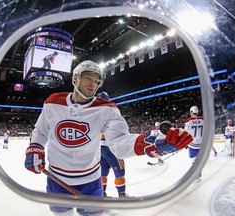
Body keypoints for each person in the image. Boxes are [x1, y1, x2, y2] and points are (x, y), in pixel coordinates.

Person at [24, 60, 193, 215]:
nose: (93, 84)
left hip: (90, 181)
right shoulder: (53, 102)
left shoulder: (107, 109)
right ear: (75, 79)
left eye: (97, 81)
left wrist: (151, 145)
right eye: (88, 78)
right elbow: (41, 130)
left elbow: (119, 142)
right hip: (57, 179)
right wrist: (36, 147)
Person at [97, 91, 127, 198]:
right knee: (120, 172)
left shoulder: (93, 111)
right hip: (112, 146)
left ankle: (102, 193)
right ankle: (122, 194)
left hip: (99, 148)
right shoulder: (111, 109)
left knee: (102, 173)